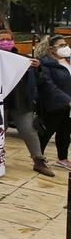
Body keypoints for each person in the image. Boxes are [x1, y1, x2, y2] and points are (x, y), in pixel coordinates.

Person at [0, 30, 54, 177]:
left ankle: (39, 160)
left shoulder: (25, 59)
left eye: (9, 39)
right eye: (2, 39)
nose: (6, 42)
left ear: (13, 41)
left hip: (21, 100)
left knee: (28, 130)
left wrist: (38, 68)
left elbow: (40, 81)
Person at [37, 35, 71, 170]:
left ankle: (62, 159)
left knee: (65, 133)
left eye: (66, 44)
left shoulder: (68, 61)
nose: (66, 47)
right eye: (61, 45)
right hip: (54, 105)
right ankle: (38, 158)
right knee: (46, 133)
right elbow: (48, 85)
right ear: (51, 49)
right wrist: (66, 100)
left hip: (68, 106)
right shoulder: (45, 63)